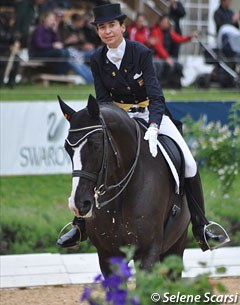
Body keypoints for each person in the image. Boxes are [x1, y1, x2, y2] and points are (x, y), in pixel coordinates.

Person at [57, 3, 229, 252]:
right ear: (97, 32)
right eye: (102, 27)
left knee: (189, 162)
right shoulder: (96, 59)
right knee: (94, 158)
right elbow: (103, 100)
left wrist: (154, 125)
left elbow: (157, 97)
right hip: (117, 120)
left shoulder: (142, 53)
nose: (107, 31)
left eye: (112, 26)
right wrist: (112, 123)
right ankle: (80, 223)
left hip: (151, 114)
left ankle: (202, 226)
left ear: (123, 27)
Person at [29, 11, 93, 84]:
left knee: (68, 57)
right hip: (37, 53)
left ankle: (90, 79)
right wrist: (52, 45)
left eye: (53, 19)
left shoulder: (51, 30)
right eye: (51, 19)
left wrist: (55, 31)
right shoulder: (39, 29)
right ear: (44, 19)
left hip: (50, 52)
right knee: (64, 54)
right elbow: (39, 45)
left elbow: (58, 42)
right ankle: (62, 75)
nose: (53, 21)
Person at [149, 14, 197, 88]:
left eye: (167, 22)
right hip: (156, 57)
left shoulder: (170, 32)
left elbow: (179, 39)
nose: (166, 24)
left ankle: (175, 85)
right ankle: (157, 85)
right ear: (160, 22)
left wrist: (189, 37)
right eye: (164, 22)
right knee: (159, 64)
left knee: (178, 65)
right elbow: (158, 47)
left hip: (166, 58)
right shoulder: (155, 31)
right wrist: (167, 58)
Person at [0, 11, 21, 87]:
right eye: (12, 20)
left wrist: (16, 40)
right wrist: (12, 38)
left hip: (7, 50)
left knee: (17, 60)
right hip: (2, 50)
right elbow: (3, 36)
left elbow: (16, 34)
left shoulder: (10, 26)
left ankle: (11, 82)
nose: (13, 22)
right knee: (3, 62)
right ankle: (1, 82)